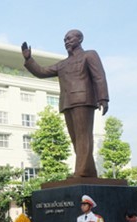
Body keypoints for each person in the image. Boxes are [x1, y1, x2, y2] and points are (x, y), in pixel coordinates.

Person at [21, 29, 109, 178]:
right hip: (67, 103)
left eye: (69, 38)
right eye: (64, 40)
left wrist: (103, 98)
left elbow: (99, 76)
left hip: (83, 100)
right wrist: (29, 59)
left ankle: (81, 171)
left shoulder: (89, 55)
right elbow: (42, 72)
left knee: (83, 136)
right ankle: (88, 171)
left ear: (80, 39)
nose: (66, 41)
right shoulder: (62, 64)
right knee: (76, 139)